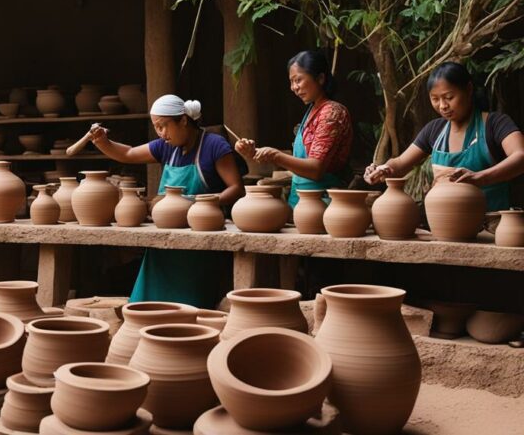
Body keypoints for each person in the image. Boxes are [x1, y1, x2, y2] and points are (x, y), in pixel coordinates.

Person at [90, 94, 243, 306]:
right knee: (150, 307)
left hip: (200, 238)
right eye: (156, 127)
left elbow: (236, 188)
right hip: (165, 241)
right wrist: (103, 142)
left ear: (182, 120)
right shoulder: (166, 146)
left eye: (163, 126)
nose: (161, 133)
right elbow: (129, 154)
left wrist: (208, 203)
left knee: (192, 309)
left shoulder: (213, 145)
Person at [364, 62, 524, 210]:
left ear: (468, 90)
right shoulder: (434, 129)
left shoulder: (495, 123)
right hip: (443, 226)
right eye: (435, 99)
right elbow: (400, 163)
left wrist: (480, 178)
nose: (442, 106)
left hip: (492, 225)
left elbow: (520, 156)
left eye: (449, 98)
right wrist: (384, 169)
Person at [235, 49, 353, 207]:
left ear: (320, 78)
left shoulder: (332, 113)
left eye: (298, 80)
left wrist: (276, 156)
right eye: (291, 82)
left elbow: (315, 170)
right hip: (298, 203)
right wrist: (254, 153)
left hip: (324, 205)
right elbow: (298, 164)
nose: (293, 87)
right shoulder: (312, 111)